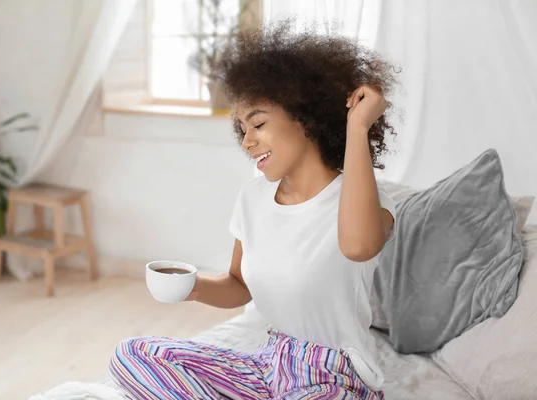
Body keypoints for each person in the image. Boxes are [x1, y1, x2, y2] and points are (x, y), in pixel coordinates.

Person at [110, 21, 399, 400]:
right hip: (268, 365)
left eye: (258, 123)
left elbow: (359, 247)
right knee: (132, 355)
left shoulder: (362, 200)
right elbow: (239, 285)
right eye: (241, 129)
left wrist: (358, 126)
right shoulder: (253, 199)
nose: (247, 141)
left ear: (306, 116)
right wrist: (191, 287)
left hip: (333, 379)